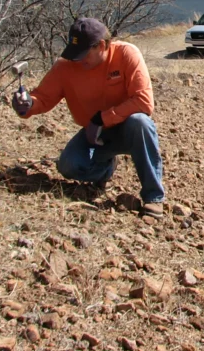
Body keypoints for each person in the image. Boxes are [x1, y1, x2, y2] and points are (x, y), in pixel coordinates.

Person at [11, 18, 165, 219]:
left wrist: (101, 119)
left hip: (128, 130)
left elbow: (144, 102)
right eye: (74, 53)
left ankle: (153, 197)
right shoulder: (65, 66)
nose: (78, 60)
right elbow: (43, 98)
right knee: (69, 166)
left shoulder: (127, 54)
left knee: (141, 122)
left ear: (101, 45)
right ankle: (106, 168)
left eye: (84, 54)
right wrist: (28, 105)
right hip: (95, 137)